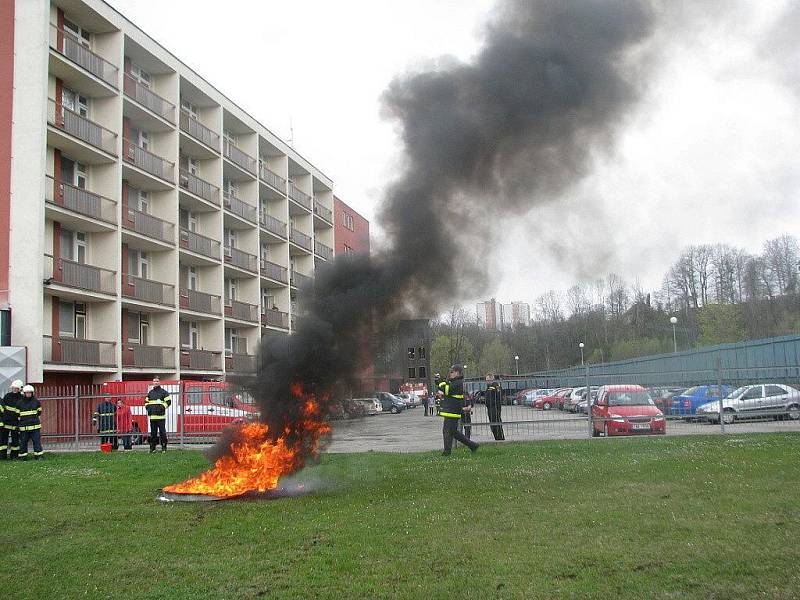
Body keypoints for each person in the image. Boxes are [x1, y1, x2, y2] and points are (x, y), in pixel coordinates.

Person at [438, 364, 478, 455]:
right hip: (451, 410)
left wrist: (441, 382)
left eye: (452, 372)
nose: (450, 373)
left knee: (447, 431)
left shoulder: (458, 382)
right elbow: (444, 389)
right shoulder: (454, 381)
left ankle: (447, 452)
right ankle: (472, 445)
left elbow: (447, 390)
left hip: (452, 410)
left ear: (457, 373)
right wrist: (440, 382)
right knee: (453, 432)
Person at [145, 376, 171, 453]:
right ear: (152, 382)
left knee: (162, 433)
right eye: (154, 381)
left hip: (161, 416)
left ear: (159, 382)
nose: (155, 383)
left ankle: (164, 447)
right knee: (153, 433)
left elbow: (168, 402)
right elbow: (146, 402)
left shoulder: (164, 392)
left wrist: (161, 408)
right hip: (152, 416)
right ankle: (152, 448)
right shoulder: (150, 393)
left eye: (157, 381)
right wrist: (148, 409)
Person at [17, 385, 43, 460]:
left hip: (35, 427)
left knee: (37, 442)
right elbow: (17, 414)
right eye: (27, 393)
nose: (28, 394)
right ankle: (22, 456)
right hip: (24, 427)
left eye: (29, 393)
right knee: (23, 443)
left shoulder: (36, 402)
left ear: (32, 393)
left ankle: (38, 456)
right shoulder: (19, 403)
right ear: (24, 393)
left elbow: (39, 412)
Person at [1, 379, 23, 460]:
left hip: (16, 423)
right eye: (13, 387)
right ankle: (2, 455)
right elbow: (3, 408)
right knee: (3, 440)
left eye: (16, 388)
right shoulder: (7, 396)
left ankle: (14, 455)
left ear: (20, 389)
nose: (14, 389)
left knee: (15, 440)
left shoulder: (22, 398)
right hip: (6, 422)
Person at [485, 373, 506, 441]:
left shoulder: (496, 385)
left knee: (497, 423)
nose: (487, 381)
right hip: (489, 408)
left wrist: (496, 405)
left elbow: (499, 396)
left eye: (488, 380)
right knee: (492, 424)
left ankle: (500, 438)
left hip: (495, 408)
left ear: (492, 379)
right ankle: (496, 438)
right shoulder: (488, 387)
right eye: (486, 380)